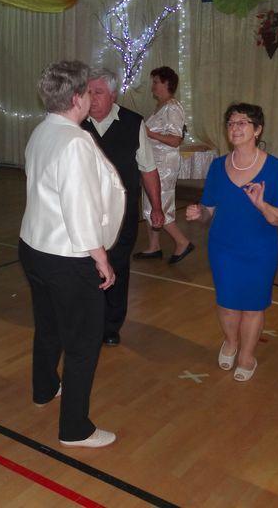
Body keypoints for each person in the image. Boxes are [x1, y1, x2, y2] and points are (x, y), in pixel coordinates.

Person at [19, 60, 125, 448]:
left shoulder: (42, 130)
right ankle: (75, 428)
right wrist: (101, 257)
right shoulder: (74, 141)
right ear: (77, 97)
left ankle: (45, 388)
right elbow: (79, 208)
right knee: (83, 342)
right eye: (88, 92)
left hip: (35, 247)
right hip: (67, 255)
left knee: (48, 325)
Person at [186, 103, 278, 381]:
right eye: (231, 123)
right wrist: (198, 213)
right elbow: (208, 211)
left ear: (257, 129)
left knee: (254, 305)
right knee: (228, 303)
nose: (235, 128)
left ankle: (247, 355)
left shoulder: (275, 167)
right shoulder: (218, 166)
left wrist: (262, 205)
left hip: (260, 249)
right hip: (223, 247)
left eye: (242, 123)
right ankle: (231, 342)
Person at [81, 68, 164, 347]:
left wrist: (156, 207)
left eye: (98, 92)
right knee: (86, 267)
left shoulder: (132, 122)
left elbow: (148, 169)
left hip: (122, 213)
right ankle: (89, 321)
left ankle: (111, 325)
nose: (92, 98)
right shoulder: (76, 123)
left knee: (117, 265)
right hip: (85, 212)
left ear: (113, 95)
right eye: (88, 92)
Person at [133, 66, 194, 264]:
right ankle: (154, 247)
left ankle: (182, 242)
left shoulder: (172, 107)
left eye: (156, 82)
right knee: (150, 203)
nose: (153, 86)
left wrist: (149, 133)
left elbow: (175, 140)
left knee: (160, 205)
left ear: (167, 83)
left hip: (164, 165)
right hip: (153, 162)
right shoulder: (161, 106)